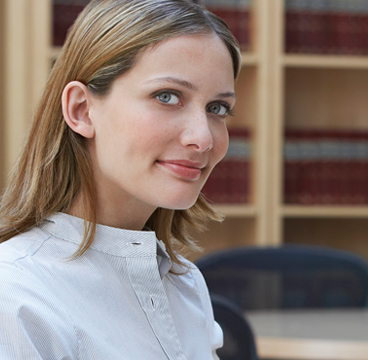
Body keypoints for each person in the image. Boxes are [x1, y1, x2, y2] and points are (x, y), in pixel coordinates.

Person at [0, 0, 241, 358]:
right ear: (81, 110)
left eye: (217, 108)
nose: (203, 138)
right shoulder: (15, 294)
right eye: (167, 97)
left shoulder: (184, 282)